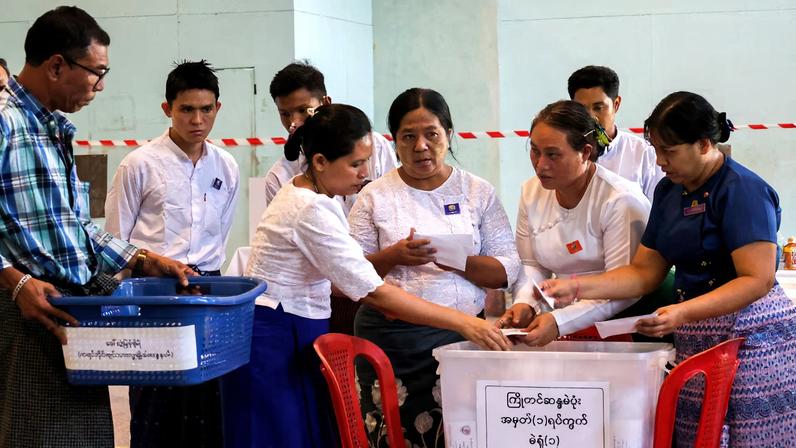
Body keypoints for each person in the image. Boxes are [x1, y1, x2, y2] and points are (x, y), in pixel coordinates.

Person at [220, 103, 510, 448]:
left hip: (298, 328)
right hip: (278, 334)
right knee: (281, 434)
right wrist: (464, 323)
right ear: (320, 162)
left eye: (367, 161)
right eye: (356, 163)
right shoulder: (310, 208)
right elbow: (372, 290)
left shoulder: (315, 197)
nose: (364, 172)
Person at [542, 92, 796, 447]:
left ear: (704, 144)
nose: (659, 161)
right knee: (696, 435)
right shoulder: (668, 191)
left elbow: (758, 279)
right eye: (656, 149)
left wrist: (682, 312)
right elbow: (645, 272)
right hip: (694, 332)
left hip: (750, 339)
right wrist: (580, 288)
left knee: (744, 436)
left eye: (669, 151)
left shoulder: (742, 189)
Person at [0, 7, 195, 448]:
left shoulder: (52, 129)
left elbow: (75, 227)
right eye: (96, 72)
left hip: (72, 308)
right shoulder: (6, 122)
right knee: (38, 435)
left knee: (87, 434)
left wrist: (142, 259)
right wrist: (11, 279)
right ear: (56, 65)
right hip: (27, 313)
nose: (100, 86)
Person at [347, 87, 520, 447]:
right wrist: (392, 256)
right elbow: (350, 275)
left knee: (457, 435)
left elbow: (507, 270)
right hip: (391, 339)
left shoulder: (476, 191)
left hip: (461, 337)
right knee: (389, 435)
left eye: (432, 134)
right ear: (393, 141)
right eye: (408, 136)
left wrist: (456, 260)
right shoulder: (374, 195)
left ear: (449, 135)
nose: (421, 146)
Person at [104, 60, 239, 448]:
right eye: (186, 109)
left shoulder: (225, 166)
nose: (197, 119)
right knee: (154, 407)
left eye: (206, 109)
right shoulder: (139, 164)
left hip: (205, 293)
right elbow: (116, 241)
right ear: (168, 109)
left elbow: (220, 237)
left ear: (218, 108)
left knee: (206, 402)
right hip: (153, 297)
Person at [496, 100, 651, 346]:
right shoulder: (531, 191)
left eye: (553, 155)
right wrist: (525, 303)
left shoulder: (620, 201)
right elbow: (531, 263)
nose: (540, 164)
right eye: (535, 150)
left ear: (586, 153)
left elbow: (624, 288)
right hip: (560, 320)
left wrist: (561, 321)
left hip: (622, 327)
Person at [264, 61, 399, 335]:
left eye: (303, 110)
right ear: (320, 163)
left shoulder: (376, 147)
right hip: (324, 294)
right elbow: (346, 277)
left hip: (378, 274)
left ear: (325, 102)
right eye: (285, 114)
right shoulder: (289, 185)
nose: (294, 122)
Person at [568, 65, 664, 200]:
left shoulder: (643, 153)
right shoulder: (565, 152)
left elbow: (657, 208)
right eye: (581, 109)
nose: (590, 117)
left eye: (599, 108)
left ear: (616, 104)